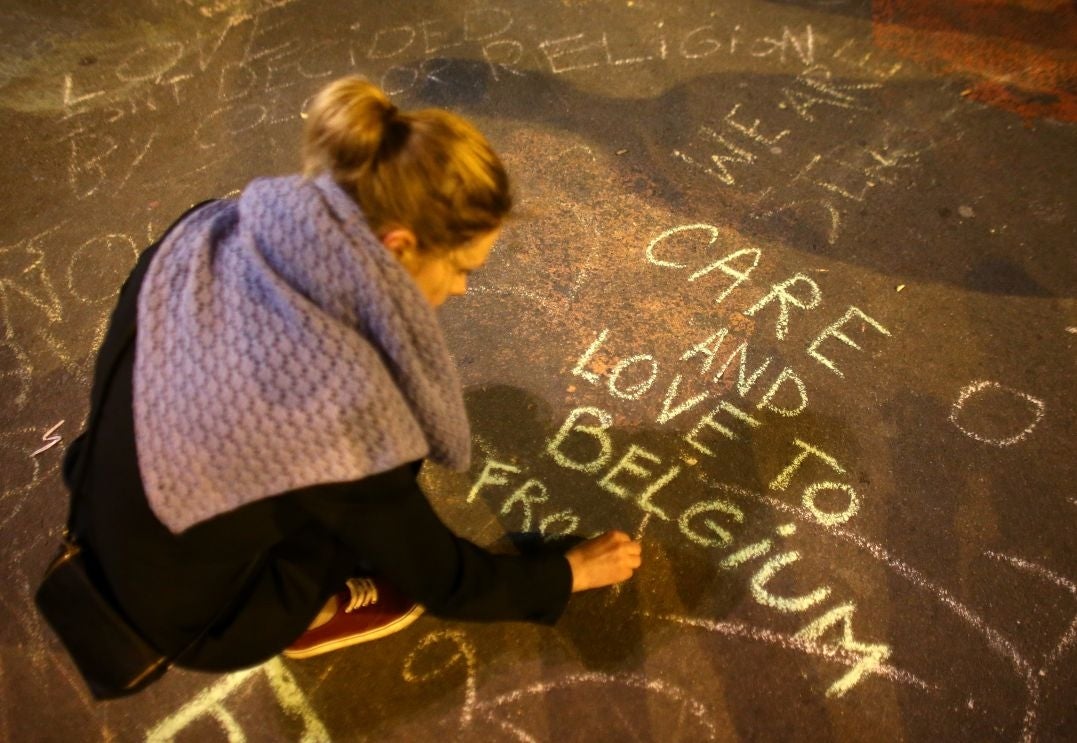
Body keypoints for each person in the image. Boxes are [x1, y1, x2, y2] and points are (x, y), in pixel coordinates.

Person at [61, 76, 642, 672]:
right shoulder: (336, 404)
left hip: (97, 503)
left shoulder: (210, 230)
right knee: (393, 449)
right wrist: (564, 574)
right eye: (463, 267)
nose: (464, 288)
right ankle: (308, 610)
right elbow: (445, 580)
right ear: (397, 247)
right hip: (199, 616)